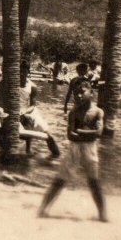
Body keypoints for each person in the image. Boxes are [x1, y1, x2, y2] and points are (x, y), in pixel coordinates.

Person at [38, 78, 107, 222]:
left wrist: (80, 132)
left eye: (82, 92)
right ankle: (43, 208)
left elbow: (99, 133)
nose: (79, 96)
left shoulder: (98, 112)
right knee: (60, 180)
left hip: (90, 150)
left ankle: (102, 214)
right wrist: (88, 133)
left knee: (94, 182)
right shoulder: (74, 112)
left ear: (92, 93)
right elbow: (71, 135)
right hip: (74, 149)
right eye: (76, 93)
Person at [20, 61, 60, 157]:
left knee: (49, 135)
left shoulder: (32, 87)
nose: (21, 74)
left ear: (28, 72)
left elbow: (33, 105)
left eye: (24, 72)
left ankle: (56, 156)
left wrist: (24, 112)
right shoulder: (12, 83)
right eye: (20, 72)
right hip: (15, 110)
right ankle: (27, 149)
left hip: (28, 110)